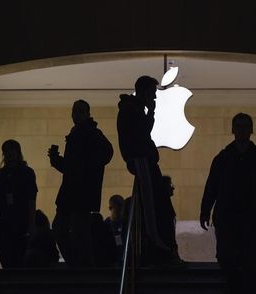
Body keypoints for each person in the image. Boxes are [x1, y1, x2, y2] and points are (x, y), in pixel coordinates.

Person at [200, 113, 256, 294]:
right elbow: (212, 185)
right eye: (239, 126)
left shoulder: (251, 158)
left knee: (248, 261)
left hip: (248, 218)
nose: (242, 130)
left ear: (250, 130)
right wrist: (205, 210)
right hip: (236, 217)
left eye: (244, 126)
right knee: (232, 260)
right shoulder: (231, 158)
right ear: (233, 130)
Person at [117, 76, 177, 265]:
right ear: (144, 92)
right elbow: (143, 133)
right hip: (142, 161)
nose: (154, 97)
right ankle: (159, 248)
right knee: (153, 208)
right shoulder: (131, 111)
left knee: (157, 205)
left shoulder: (132, 109)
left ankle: (161, 249)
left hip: (144, 161)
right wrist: (151, 113)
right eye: (152, 92)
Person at [48, 99, 113, 268]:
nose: (77, 115)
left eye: (81, 111)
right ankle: (79, 265)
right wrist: (58, 161)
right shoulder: (80, 134)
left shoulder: (90, 134)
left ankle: (81, 266)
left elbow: (106, 153)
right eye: (75, 111)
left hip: (79, 193)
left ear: (87, 114)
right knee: (66, 230)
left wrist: (84, 168)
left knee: (76, 232)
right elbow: (73, 167)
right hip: (74, 193)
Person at [0, 139, 37, 268]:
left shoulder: (27, 173)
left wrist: (31, 224)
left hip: (21, 221)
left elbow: (31, 199)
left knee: (19, 259)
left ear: (17, 152)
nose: (9, 154)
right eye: (6, 151)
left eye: (11, 150)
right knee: (6, 259)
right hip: (5, 222)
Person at [104, 195, 124, 263]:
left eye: (122, 205)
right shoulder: (105, 225)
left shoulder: (126, 224)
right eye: (118, 205)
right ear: (110, 208)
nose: (120, 208)